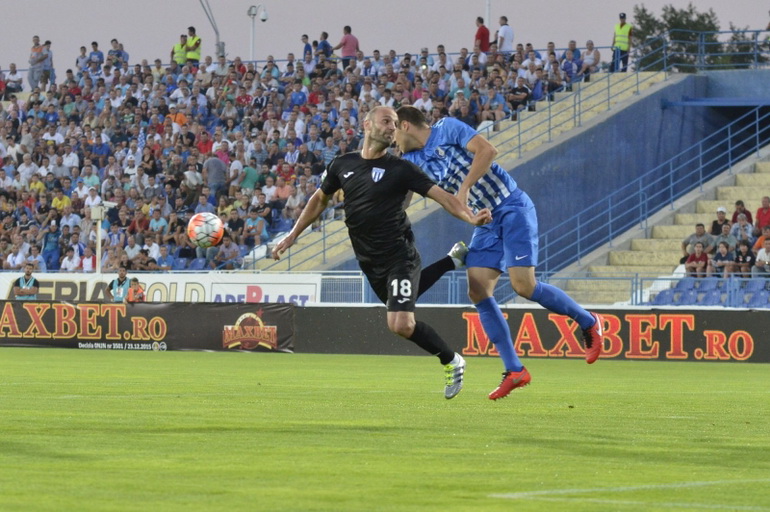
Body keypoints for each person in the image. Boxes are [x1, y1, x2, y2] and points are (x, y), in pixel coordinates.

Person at [273, 106, 491, 400]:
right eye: (386, 121)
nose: (392, 127)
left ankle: (453, 360)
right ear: (367, 125)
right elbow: (319, 199)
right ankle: (452, 260)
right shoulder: (342, 165)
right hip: (369, 261)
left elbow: (443, 198)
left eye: (394, 124)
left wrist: (470, 217)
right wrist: (293, 234)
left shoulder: (401, 169)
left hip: (400, 255)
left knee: (400, 323)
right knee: (400, 307)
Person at [395, 105, 604, 400]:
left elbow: (487, 151)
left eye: (393, 130)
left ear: (405, 125)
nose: (392, 140)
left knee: (524, 287)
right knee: (478, 291)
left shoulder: (446, 128)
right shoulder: (412, 160)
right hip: (485, 221)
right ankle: (515, 370)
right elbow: (400, 198)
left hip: (511, 206)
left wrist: (464, 188)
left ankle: (589, 321)